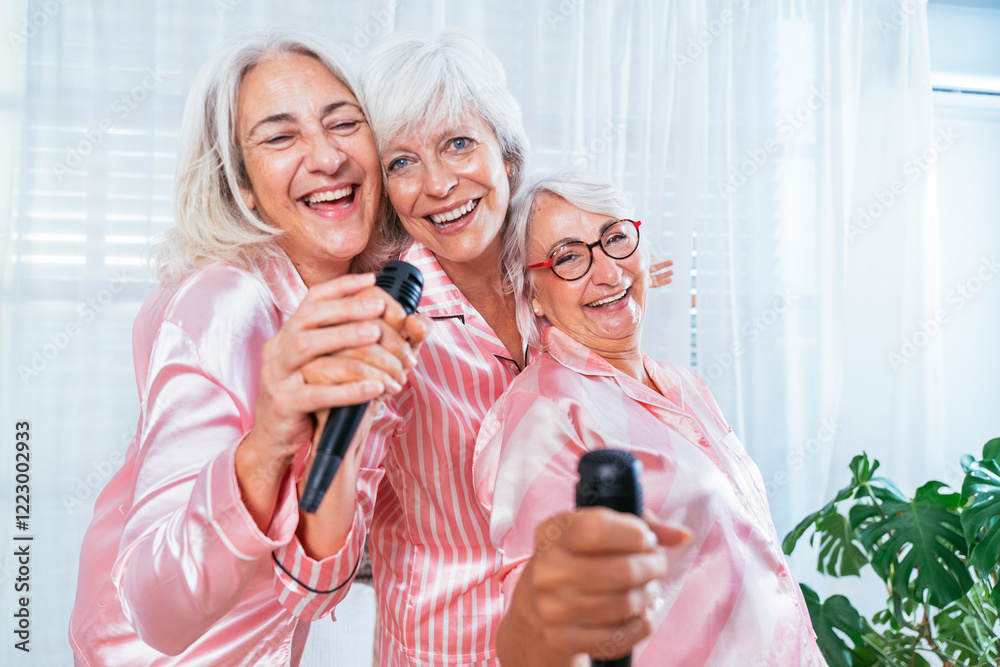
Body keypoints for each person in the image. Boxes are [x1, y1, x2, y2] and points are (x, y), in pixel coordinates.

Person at [271, 30, 675, 666]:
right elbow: (320, 576)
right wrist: (338, 429)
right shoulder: (386, 317)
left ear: (507, 156)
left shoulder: (559, 273)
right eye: (402, 162)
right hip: (447, 649)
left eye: (458, 143)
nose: (437, 184)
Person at [69, 31, 426, 666]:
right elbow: (155, 605)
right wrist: (268, 444)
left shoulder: (368, 314)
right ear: (241, 186)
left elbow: (316, 588)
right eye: (280, 137)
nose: (326, 157)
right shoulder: (224, 306)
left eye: (344, 124)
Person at [473, 171, 824, 666]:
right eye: (569, 257)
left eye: (615, 238)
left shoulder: (683, 384)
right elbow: (547, 628)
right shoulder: (544, 413)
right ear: (530, 292)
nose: (608, 272)